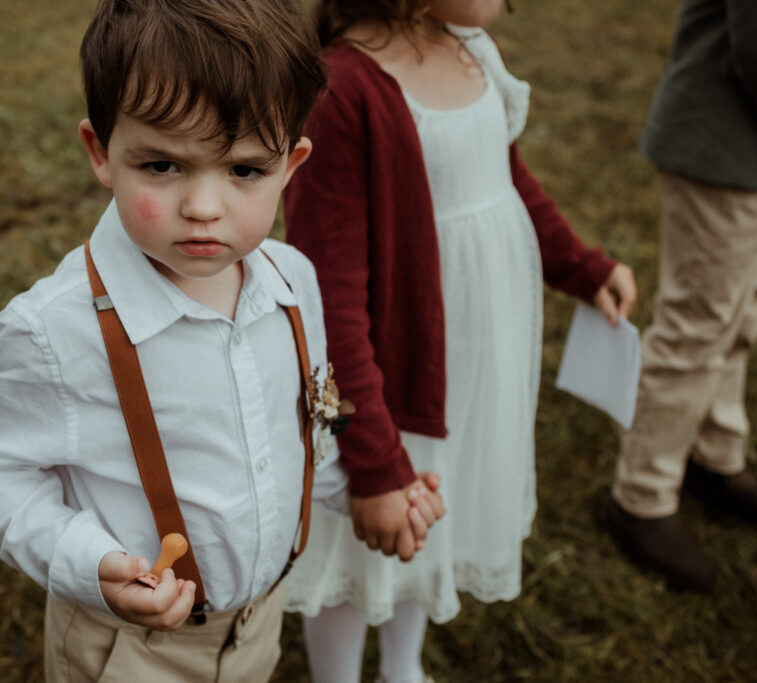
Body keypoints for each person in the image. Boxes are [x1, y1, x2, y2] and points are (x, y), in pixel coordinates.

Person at [0, 1, 445, 681]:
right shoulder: (56, 332)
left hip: (258, 622)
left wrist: (360, 485)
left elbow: (296, 430)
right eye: (162, 166)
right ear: (101, 153)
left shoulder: (293, 284)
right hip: (128, 650)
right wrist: (88, 561)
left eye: (244, 171)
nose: (204, 206)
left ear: (291, 164)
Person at [281, 1, 637, 681]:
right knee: (371, 528)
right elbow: (328, 295)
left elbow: (510, 181)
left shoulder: (469, 48)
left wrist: (582, 268)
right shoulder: (343, 89)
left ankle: (404, 667)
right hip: (394, 370)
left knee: (441, 504)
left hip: (478, 348)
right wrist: (374, 460)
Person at [604, 0, 757, 593]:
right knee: (697, 325)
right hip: (726, 144)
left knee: (742, 308)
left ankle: (713, 455)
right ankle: (642, 497)